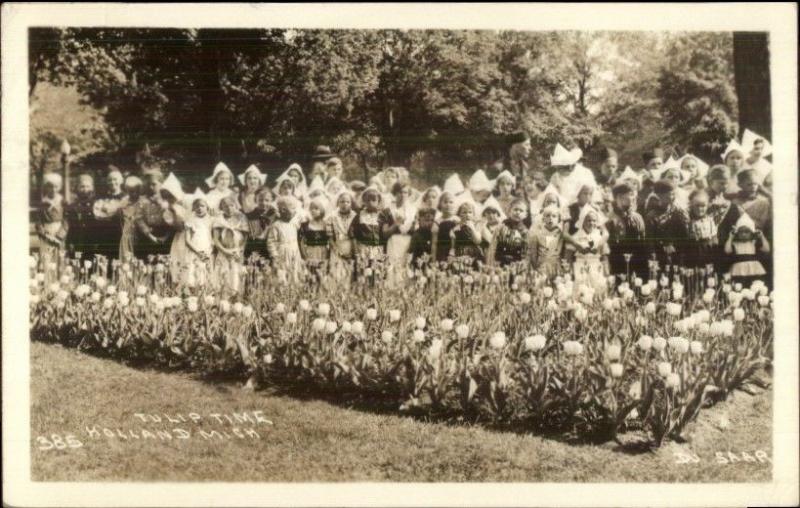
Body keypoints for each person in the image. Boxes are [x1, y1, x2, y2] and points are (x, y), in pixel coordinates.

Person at [170, 191, 213, 291]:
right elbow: (187, 240)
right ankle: (190, 294)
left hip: (206, 250)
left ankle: (203, 296)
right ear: (193, 208)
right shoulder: (191, 221)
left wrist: (209, 251)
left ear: (207, 207)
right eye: (197, 206)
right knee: (192, 275)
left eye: (202, 206)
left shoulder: (211, 220)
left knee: (204, 276)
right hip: (194, 250)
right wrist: (197, 252)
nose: (199, 208)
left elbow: (213, 238)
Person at [706, 164, 744, 274]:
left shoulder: (727, 198)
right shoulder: (703, 196)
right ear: (711, 181)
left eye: (727, 183)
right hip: (708, 239)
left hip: (724, 239)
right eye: (721, 183)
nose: (724, 186)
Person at [605, 182, 647, 280]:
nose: (634, 198)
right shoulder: (609, 218)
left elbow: (643, 241)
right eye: (631, 195)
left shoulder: (637, 217)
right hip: (616, 262)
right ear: (619, 197)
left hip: (637, 262)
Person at [645, 179, 691, 268]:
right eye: (670, 195)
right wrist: (653, 256)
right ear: (659, 196)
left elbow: (684, 234)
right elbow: (649, 240)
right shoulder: (652, 216)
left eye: (674, 194)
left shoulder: (678, 211)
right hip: (660, 254)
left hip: (677, 252)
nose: (673, 197)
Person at [212, 195, 249, 296]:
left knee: (236, 276)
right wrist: (225, 251)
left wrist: (240, 250)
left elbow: (245, 237)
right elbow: (215, 239)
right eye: (225, 206)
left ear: (235, 205)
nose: (229, 208)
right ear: (221, 208)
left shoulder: (241, 217)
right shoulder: (219, 219)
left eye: (231, 205)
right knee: (224, 276)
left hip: (237, 252)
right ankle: (223, 299)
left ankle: (237, 298)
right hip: (224, 252)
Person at [382, 182, 417, 286]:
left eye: (405, 192)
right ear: (394, 193)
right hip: (394, 242)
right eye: (399, 192)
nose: (402, 195)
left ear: (409, 194)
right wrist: (395, 225)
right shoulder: (388, 210)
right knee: (393, 268)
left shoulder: (413, 210)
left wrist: (413, 227)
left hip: (408, 242)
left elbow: (416, 230)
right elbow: (384, 233)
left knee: (406, 267)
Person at [570, 205, 609, 296]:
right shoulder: (576, 236)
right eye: (588, 220)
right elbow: (569, 255)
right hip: (580, 266)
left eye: (594, 221)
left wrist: (606, 270)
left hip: (596, 266)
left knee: (597, 289)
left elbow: (604, 255)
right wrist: (569, 271)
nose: (591, 223)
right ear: (582, 222)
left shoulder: (600, 237)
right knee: (581, 291)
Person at [36, 173, 68, 275]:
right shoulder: (42, 202)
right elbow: (38, 221)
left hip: (59, 232)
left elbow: (67, 220)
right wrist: (44, 233)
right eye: (50, 186)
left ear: (59, 187)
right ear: (46, 187)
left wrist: (59, 236)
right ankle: (46, 280)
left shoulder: (63, 201)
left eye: (56, 186)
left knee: (59, 257)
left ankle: (60, 281)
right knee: (46, 258)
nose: (53, 189)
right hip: (46, 233)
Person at [349, 187, 386, 276]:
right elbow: (351, 231)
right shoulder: (360, 215)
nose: (370, 203)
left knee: (376, 272)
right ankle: (363, 288)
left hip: (377, 248)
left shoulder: (382, 215)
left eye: (373, 200)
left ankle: (375, 288)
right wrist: (355, 247)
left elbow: (384, 232)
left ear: (378, 201)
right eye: (368, 200)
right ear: (364, 201)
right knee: (363, 272)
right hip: (363, 248)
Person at [724, 213, 770, 286]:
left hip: (753, 270)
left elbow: (766, 249)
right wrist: (730, 238)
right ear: (737, 233)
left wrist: (762, 237)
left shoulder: (753, 243)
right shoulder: (735, 244)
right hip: (738, 270)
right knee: (738, 286)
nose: (743, 234)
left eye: (746, 232)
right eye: (741, 232)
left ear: (751, 233)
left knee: (754, 286)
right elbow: (727, 251)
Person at [267, 196, 305, 284]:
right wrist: (275, 256)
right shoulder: (276, 225)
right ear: (283, 210)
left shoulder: (293, 224)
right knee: (283, 274)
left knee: (295, 273)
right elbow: (271, 242)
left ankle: (294, 290)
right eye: (293, 208)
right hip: (282, 253)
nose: (295, 211)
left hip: (294, 252)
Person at [92, 169, 127, 264]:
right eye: (110, 180)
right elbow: (97, 214)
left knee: (119, 260)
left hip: (120, 232)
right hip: (105, 234)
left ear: (121, 181)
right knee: (104, 260)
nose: (112, 182)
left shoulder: (126, 197)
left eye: (115, 179)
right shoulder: (102, 197)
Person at [65, 173, 99, 262]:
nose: (85, 189)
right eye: (82, 186)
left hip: (93, 241)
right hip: (77, 241)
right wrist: (70, 243)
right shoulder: (72, 206)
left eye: (88, 186)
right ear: (77, 188)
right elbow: (69, 226)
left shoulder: (98, 204)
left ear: (92, 188)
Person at [326, 191, 357, 283]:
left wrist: (353, 252)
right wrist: (338, 251)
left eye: (348, 202)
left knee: (349, 276)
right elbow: (330, 238)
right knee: (336, 276)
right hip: (337, 248)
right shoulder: (332, 217)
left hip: (351, 247)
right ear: (338, 203)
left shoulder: (355, 216)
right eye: (342, 202)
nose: (345, 204)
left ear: (351, 203)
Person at [299, 195, 331, 282]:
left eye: (316, 208)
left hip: (322, 251)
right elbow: (302, 241)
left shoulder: (326, 224)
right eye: (311, 208)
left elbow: (330, 241)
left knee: (321, 274)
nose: (313, 210)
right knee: (311, 274)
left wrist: (328, 255)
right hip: (310, 251)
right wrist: (304, 255)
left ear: (322, 210)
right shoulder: (306, 225)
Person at [490, 198, 529, 267]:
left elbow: (525, 252)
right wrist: (492, 261)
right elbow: (493, 246)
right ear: (509, 211)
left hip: (515, 264)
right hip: (499, 262)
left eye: (521, 211)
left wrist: (522, 265)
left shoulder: (525, 232)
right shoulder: (501, 227)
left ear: (525, 215)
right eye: (515, 209)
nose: (518, 212)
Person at [528, 204, 564, 279]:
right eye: (548, 216)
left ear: (559, 219)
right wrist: (536, 267)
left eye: (554, 216)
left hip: (557, 266)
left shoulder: (561, 234)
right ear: (543, 218)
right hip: (542, 266)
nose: (551, 218)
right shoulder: (537, 234)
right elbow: (533, 254)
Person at [687, 189, 718, 269]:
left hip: (708, 251)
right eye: (697, 205)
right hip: (693, 251)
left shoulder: (710, 220)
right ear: (691, 205)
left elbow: (714, 238)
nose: (700, 209)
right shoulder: (688, 220)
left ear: (708, 205)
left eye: (703, 206)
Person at [449, 199, 484, 270]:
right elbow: (453, 246)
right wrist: (451, 256)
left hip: (474, 254)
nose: (467, 215)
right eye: (464, 212)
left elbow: (478, 241)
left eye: (470, 212)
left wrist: (472, 229)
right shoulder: (456, 229)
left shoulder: (476, 226)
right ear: (459, 214)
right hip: (461, 254)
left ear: (473, 214)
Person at [118, 176, 143, 263]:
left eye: (137, 191)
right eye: (131, 191)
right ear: (127, 191)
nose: (134, 193)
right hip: (127, 236)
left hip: (140, 235)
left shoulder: (142, 202)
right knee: (126, 260)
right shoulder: (123, 203)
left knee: (139, 260)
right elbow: (121, 220)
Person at [478, 196, 505, 266]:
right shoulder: (482, 227)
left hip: (498, 256)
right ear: (484, 214)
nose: (491, 215)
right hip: (484, 255)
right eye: (488, 213)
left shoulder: (502, 227)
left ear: (498, 214)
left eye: (493, 213)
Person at [434, 191, 459, 263]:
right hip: (442, 251)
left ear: (454, 205)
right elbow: (434, 243)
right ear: (440, 205)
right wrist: (433, 258)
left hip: (456, 250)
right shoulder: (437, 222)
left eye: (451, 202)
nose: (448, 205)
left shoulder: (457, 220)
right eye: (445, 202)